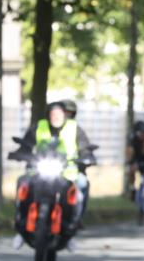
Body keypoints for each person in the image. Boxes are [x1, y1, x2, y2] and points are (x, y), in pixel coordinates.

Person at [10, 99, 94, 236]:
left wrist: (87, 157)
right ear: (48, 114)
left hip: (67, 172)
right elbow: (26, 144)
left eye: (60, 114)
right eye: (53, 114)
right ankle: (19, 218)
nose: (56, 117)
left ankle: (76, 220)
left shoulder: (74, 129)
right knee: (22, 182)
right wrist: (20, 153)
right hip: (39, 170)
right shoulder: (39, 127)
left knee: (83, 183)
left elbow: (84, 147)